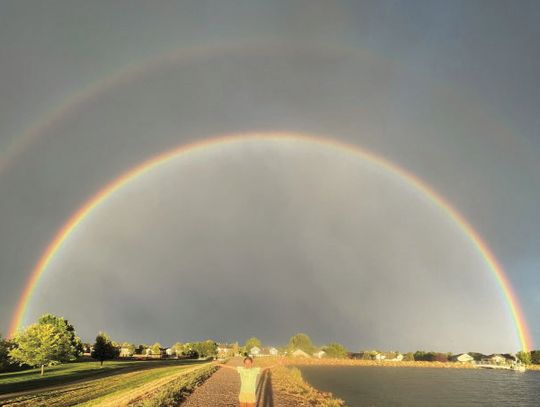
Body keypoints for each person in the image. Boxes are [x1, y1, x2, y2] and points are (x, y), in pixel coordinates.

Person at [215, 356, 281, 407]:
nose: (247, 364)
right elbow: (230, 367)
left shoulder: (255, 370)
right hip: (242, 393)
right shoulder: (241, 369)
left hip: (251, 393)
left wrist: (277, 364)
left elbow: (266, 367)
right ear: (244, 363)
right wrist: (219, 364)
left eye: (249, 363)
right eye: (246, 363)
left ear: (252, 363)